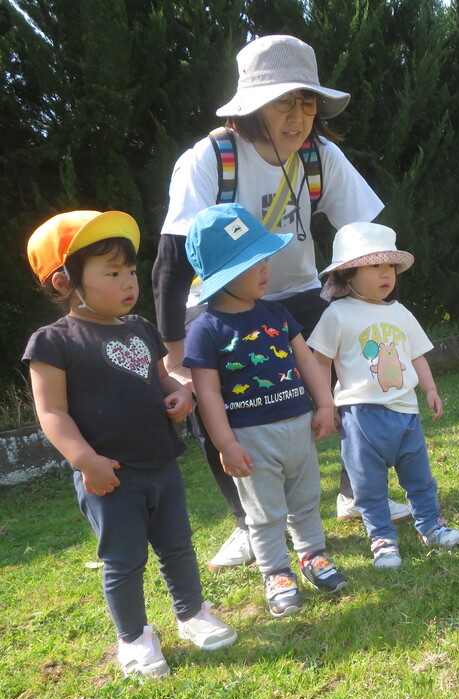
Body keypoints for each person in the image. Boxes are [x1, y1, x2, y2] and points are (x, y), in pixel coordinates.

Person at [153, 34, 412, 574]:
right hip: (219, 303)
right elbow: (172, 262)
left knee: (368, 364)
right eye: (283, 102)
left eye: (307, 101)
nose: (298, 116)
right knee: (215, 400)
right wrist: (175, 356)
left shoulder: (321, 156)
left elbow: (363, 235)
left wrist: (366, 304)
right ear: (251, 107)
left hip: (298, 294)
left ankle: (357, 492)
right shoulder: (210, 159)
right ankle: (249, 524)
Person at [22, 210, 237, 679]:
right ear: (65, 282)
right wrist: (86, 461)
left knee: (178, 545)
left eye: (132, 271)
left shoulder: (139, 329)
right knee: (122, 560)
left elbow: (163, 377)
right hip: (109, 475)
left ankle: (192, 614)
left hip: (162, 462)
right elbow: (51, 412)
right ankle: (135, 638)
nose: (129, 283)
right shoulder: (53, 342)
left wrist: (179, 394)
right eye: (112, 273)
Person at [182, 204, 348, 615]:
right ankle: (276, 570)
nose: (264, 269)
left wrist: (325, 403)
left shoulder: (277, 312)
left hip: (297, 426)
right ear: (221, 275)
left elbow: (307, 360)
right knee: (264, 510)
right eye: (250, 262)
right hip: (251, 438)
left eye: (265, 258)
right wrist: (224, 442)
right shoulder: (206, 329)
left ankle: (313, 555)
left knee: (306, 497)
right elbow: (207, 394)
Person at [307, 223, 459, 568]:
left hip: (405, 412)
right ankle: (382, 539)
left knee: (420, 477)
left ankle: (430, 525)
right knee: (368, 486)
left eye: (390, 267)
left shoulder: (400, 312)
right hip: (361, 416)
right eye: (374, 266)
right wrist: (324, 404)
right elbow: (320, 360)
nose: (385, 274)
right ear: (348, 274)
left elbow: (417, 354)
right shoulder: (336, 314)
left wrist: (430, 388)